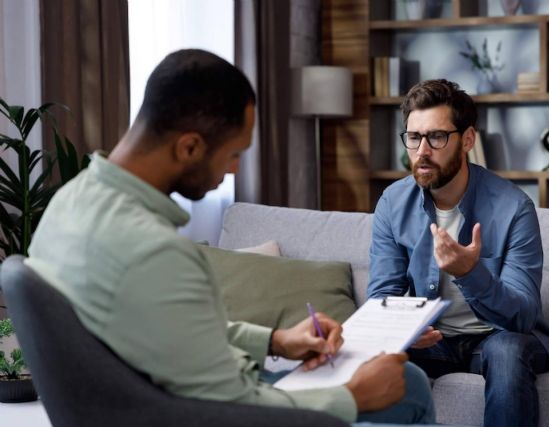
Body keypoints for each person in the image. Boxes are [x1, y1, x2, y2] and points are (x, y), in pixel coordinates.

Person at [25, 49, 437, 426]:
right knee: (408, 385)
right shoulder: (152, 250)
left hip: (157, 394)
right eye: (234, 154)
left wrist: (276, 341)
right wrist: (352, 396)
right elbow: (231, 407)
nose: (235, 170)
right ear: (189, 147)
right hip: (205, 411)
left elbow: (168, 328)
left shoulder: (69, 204)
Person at [368, 79, 549, 427]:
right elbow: (382, 296)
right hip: (433, 340)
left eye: (436, 137)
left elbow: (522, 317)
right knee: (374, 356)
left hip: (495, 337)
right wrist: (402, 329)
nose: (422, 150)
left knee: (508, 350)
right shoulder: (393, 202)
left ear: (467, 140)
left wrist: (471, 273)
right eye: (414, 137)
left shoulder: (514, 207)